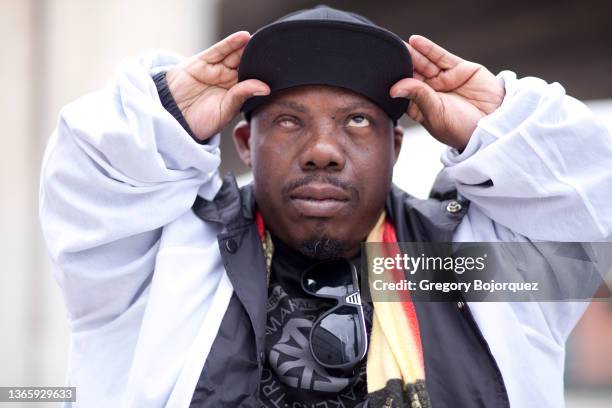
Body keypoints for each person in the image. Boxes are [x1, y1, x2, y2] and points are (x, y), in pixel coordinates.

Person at [39, 5, 611, 408]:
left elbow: (589, 209)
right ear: (244, 145)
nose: (321, 151)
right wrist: (163, 112)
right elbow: (92, 179)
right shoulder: (161, 263)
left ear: (394, 147)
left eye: (357, 121)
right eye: (288, 122)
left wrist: (500, 122)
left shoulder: (466, 270)